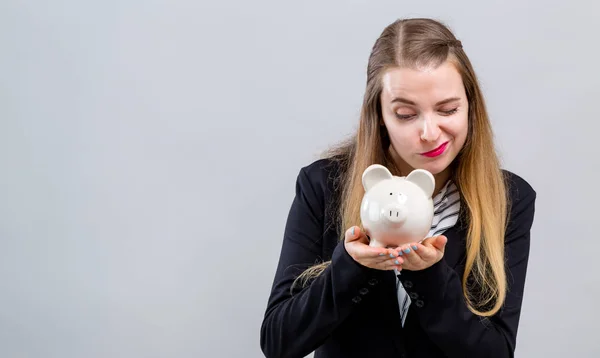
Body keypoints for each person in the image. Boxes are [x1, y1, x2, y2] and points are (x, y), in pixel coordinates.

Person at [260, 17, 536, 358]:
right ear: (379, 115)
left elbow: (495, 352)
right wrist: (351, 266)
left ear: (470, 107)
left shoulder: (508, 199)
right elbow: (278, 342)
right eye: (406, 114)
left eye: (448, 109)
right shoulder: (323, 185)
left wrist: (428, 276)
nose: (430, 132)